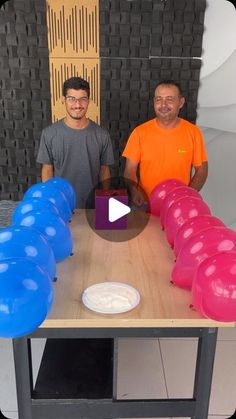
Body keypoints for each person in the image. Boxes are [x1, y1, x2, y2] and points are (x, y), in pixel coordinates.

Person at [122, 80, 208, 206]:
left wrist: (188, 194)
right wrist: (135, 191)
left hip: (179, 205)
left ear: (181, 102)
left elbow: (202, 170)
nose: (163, 105)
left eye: (169, 99)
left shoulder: (193, 132)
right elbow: (129, 170)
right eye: (158, 99)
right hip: (146, 203)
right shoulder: (139, 133)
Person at [37, 76, 114, 208]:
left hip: (92, 206)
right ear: (63, 100)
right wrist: (50, 199)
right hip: (61, 205)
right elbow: (48, 170)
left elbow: (104, 170)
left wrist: (104, 200)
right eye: (71, 99)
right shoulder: (49, 134)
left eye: (82, 99)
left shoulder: (102, 135)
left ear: (89, 101)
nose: (77, 105)